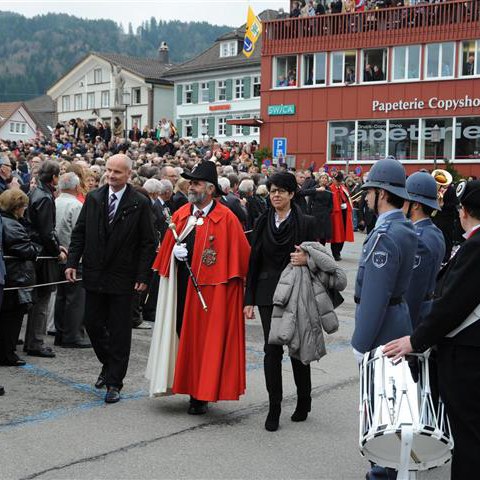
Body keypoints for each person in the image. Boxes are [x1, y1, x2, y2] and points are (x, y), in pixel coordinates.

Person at [384, 180, 480, 479]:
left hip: (467, 354)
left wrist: (416, 340)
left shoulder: (476, 246)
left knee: (468, 439)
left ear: (463, 211)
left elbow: (453, 304)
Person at [146, 161, 250, 415]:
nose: (191, 187)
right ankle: (181, 382)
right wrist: (174, 253)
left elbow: (240, 259)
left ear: (211, 189)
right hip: (181, 288)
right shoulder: (181, 214)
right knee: (181, 336)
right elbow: (165, 254)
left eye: (196, 183)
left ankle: (199, 394)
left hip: (211, 294)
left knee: (204, 343)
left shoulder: (227, 219)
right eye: (190, 182)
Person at [65, 154, 156, 404]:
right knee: (92, 323)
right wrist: (72, 261)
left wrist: (143, 275)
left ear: (128, 174)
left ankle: (114, 381)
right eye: (108, 170)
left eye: (117, 172)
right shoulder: (94, 198)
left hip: (123, 277)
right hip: (94, 273)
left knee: (119, 331)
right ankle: (108, 363)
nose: (111, 175)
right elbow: (80, 232)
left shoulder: (139, 202)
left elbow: (148, 242)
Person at [350, 157, 417, 480]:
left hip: (382, 328)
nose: (364, 199)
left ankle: (382, 471)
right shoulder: (402, 228)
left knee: (381, 407)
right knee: (392, 404)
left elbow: (375, 295)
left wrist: (360, 343)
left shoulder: (386, 234)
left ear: (382, 194)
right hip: (397, 317)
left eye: (369, 192)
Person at [244, 172, 317, 432]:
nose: (276, 195)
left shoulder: (306, 222)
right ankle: (274, 407)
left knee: (296, 349)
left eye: (281, 191)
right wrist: (249, 298)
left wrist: (307, 260)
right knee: (271, 349)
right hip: (266, 292)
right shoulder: (262, 221)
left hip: (297, 290)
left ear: (291, 194)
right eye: (272, 190)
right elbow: (253, 261)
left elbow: (321, 258)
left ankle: (303, 400)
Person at [26, 160, 65, 358]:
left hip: (39, 250)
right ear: (54, 177)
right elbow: (46, 231)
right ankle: (36, 342)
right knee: (42, 299)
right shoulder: (44, 197)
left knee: (37, 299)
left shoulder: (37, 192)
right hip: (42, 253)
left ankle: (32, 340)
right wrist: (56, 250)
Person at [0, 189, 40, 366]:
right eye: (24, 206)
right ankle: (7, 354)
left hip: (9, 276)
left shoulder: (7, 222)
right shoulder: (12, 225)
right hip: (15, 277)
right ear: (17, 207)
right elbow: (26, 250)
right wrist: (36, 249)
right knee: (12, 318)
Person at [404, 172, 445, 329]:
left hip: (414, 316)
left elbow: (412, 291)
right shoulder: (435, 231)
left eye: (406, 200)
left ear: (415, 205)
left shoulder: (417, 239)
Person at [54, 172, 90, 348]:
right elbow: (80, 233)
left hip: (58, 255)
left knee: (61, 296)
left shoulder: (55, 202)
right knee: (75, 298)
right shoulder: (76, 205)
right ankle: (73, 335)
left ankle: (61, 333)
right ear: (76, 187)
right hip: (73, 257)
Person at [302, 172, 333, 245]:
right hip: (316, 212)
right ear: (319, 179)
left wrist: (329, 211)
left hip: (325, 214)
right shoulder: (315, 188)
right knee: (315, 233)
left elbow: (331, 202)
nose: (324, 180)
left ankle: (322, 248)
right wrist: (309, 213)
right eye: (323, 178)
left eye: (326, 178)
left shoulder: (329, 189)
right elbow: (310, 202)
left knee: (324, 234)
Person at [329, 172, 354, 261]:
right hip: (335, 215)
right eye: (337, 181)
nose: (339, 183)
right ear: (333, 180)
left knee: (343, 233)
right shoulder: (330, 189)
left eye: (340, 181)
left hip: (344, 213)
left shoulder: (344, 188)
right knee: (336, 234)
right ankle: (336, 253)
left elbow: (348, 199)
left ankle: (339, 250)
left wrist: (346, 205)